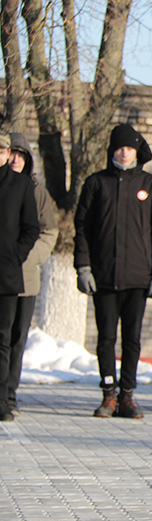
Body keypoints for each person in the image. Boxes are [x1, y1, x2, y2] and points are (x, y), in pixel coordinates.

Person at [74, 124, 152, 418]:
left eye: (129, 147)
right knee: (105, 338)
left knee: (132, 338)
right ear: (112, 151)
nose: (124, 152)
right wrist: (83, 267)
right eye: (119, 147)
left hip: (137, 277)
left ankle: (127, 394)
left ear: (136, 151)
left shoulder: (150, 185)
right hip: (103, 276)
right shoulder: (96, 183)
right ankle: (108, 394)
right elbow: (82, 228)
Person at [4, 134, 59, 417]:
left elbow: (48, 231)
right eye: (10, 153)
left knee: (16, 337)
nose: (14, 159)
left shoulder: (36, 191)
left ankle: (9, 391)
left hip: (24, 276)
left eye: (20, 155)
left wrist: (27, 257)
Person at [0, 132, 40, 422]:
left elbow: (31, 228)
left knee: (3, 340)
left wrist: (15, 255)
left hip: (6, 275)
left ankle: (2, 400)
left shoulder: (21, 185)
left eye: (3, 150)